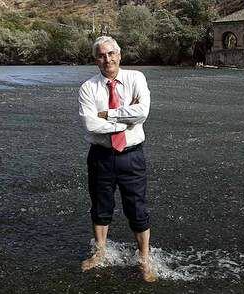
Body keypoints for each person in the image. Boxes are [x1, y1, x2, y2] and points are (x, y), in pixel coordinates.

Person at [78, 36, 157, 282]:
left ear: (120, 55)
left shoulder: (136, 78)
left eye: (111, 53)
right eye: (101, 55)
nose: (107, 59)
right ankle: (100, 253)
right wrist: (125, 119)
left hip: (131, 156)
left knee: (137, 209)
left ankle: (144, 260)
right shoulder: (88, 88)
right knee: (101, 208)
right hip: (100, 156)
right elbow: (90, 124)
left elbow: (142, 112)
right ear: (95, 60)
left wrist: (108, 115)